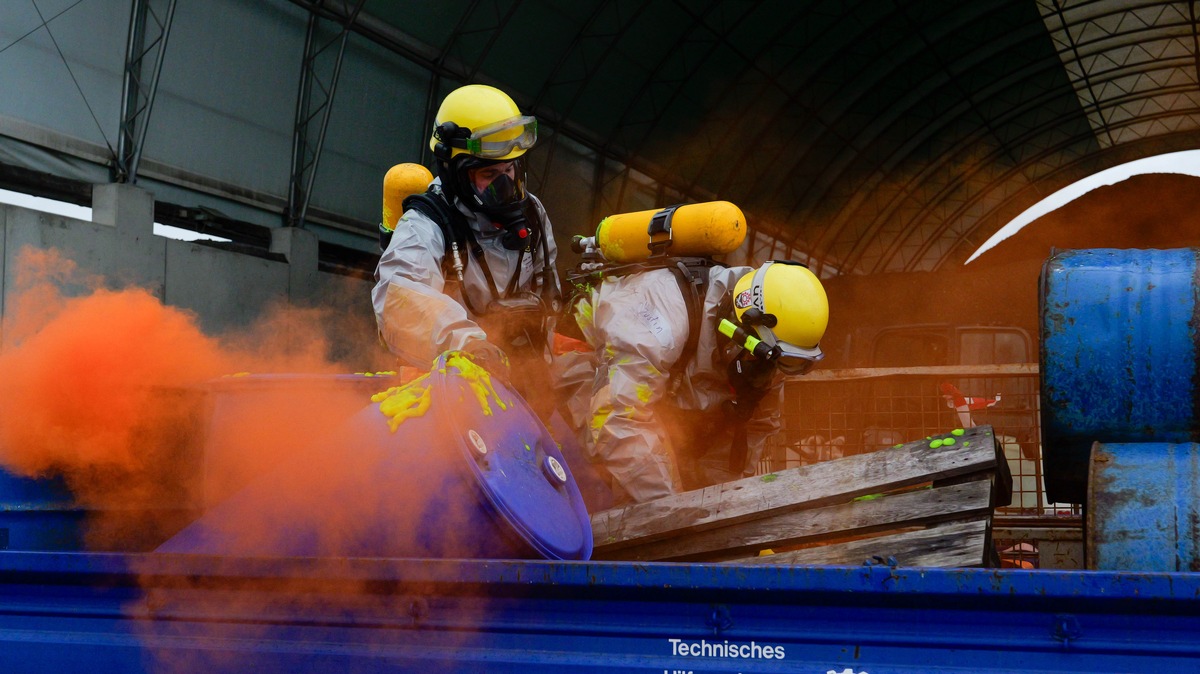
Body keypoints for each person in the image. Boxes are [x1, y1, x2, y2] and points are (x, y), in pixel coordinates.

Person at [572, 259, 829, 504]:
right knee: (614, 475)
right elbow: (618, 419)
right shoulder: (661, 322)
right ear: (740, 330)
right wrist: (676, 512)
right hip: (581, 356)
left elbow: (752, 429)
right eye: (768, 359)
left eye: (790, 362)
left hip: (660, 387)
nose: (771, 372)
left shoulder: (773, 351)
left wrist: (725, 506)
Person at [373, 84, 561, 404]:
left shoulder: (533, 213)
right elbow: (399, 296)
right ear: (454, 172)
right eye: (490, 173)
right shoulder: (425, 225)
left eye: (510, 169)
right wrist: (468, 346)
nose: (505, 184)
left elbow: (548, 292)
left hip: (523, 380)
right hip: (449, 387)